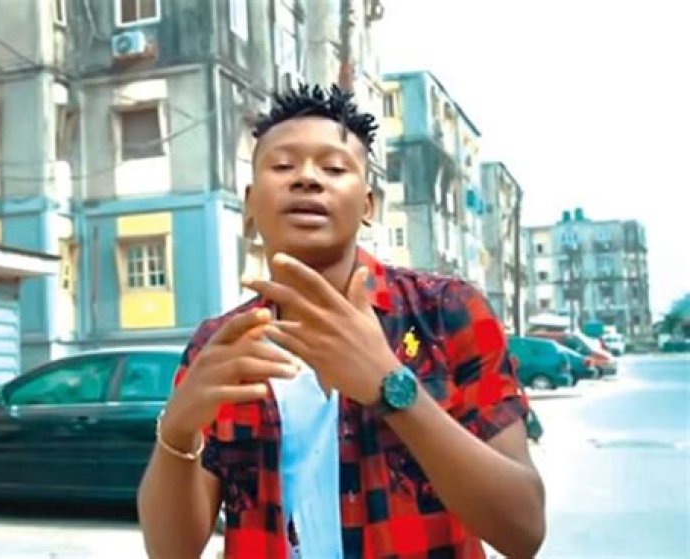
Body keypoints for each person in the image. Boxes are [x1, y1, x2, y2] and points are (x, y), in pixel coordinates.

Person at [138, 84, 545, 558]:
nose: (307, 179)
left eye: (333, 168)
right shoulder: (223, 345)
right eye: (283, 165)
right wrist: (178, 428)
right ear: (249, 203)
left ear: (369, 206)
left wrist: (391, 388)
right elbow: (170, 552)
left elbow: (523, 531)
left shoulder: (446, 312)